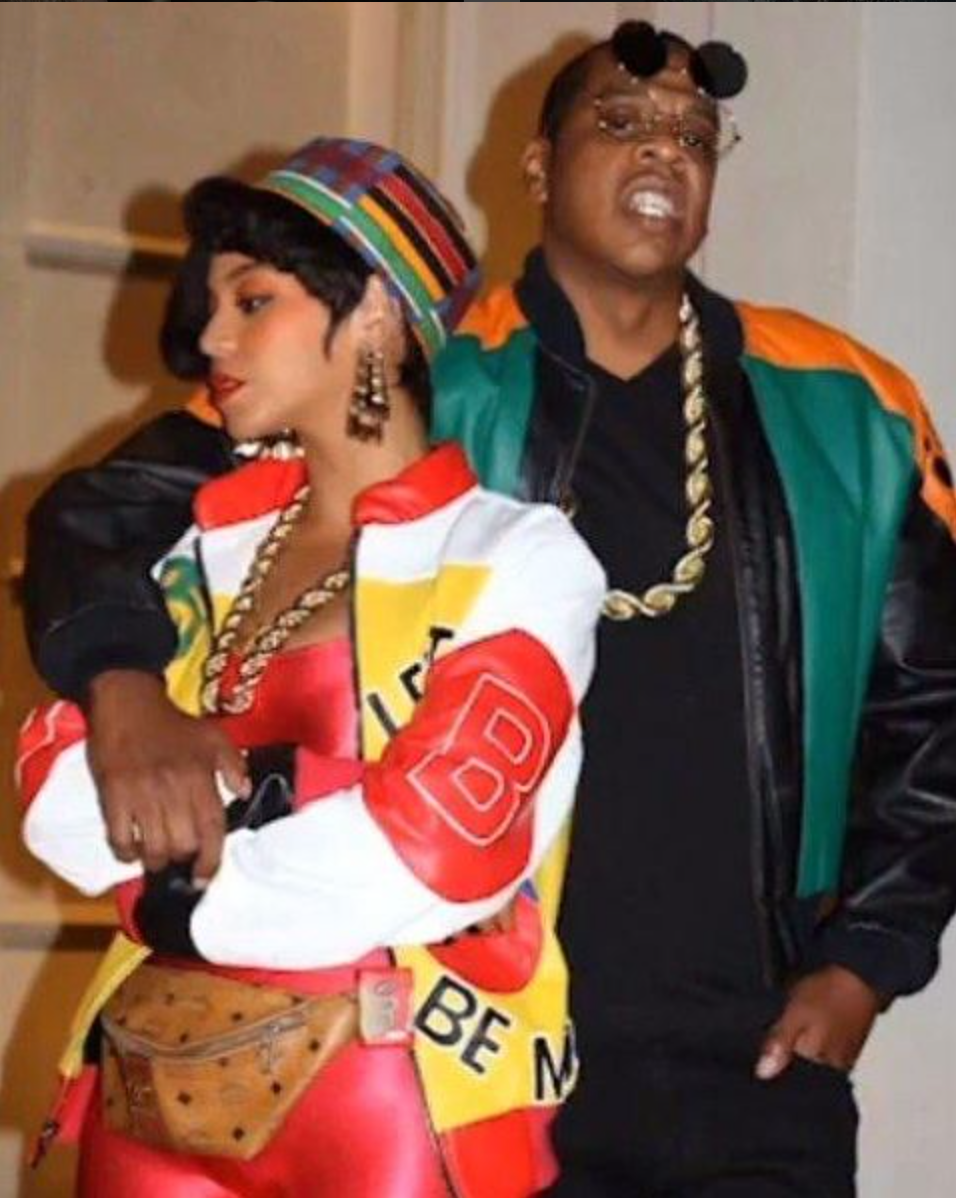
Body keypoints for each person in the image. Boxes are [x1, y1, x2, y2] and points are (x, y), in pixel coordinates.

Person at [19, 18, 956, 1196]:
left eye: (691, 133)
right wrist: (123, 688)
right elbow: (100, 514)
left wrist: (866, 959)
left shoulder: (848, 407)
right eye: (618, 121)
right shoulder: (400, 376)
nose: (660, 149)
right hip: (466, 1054)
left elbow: (931, 711)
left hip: (748, 1064)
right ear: (536, 165)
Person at [16, 136, 604, 1198]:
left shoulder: (515, 556)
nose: (210, 337)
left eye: (253, 301)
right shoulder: (199, 542)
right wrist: (297, 789)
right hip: (150, 1080)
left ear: (374, 310)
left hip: (389, 1095)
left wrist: (181, 883)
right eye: (213, 305)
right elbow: (56, 791)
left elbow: (435, 847)